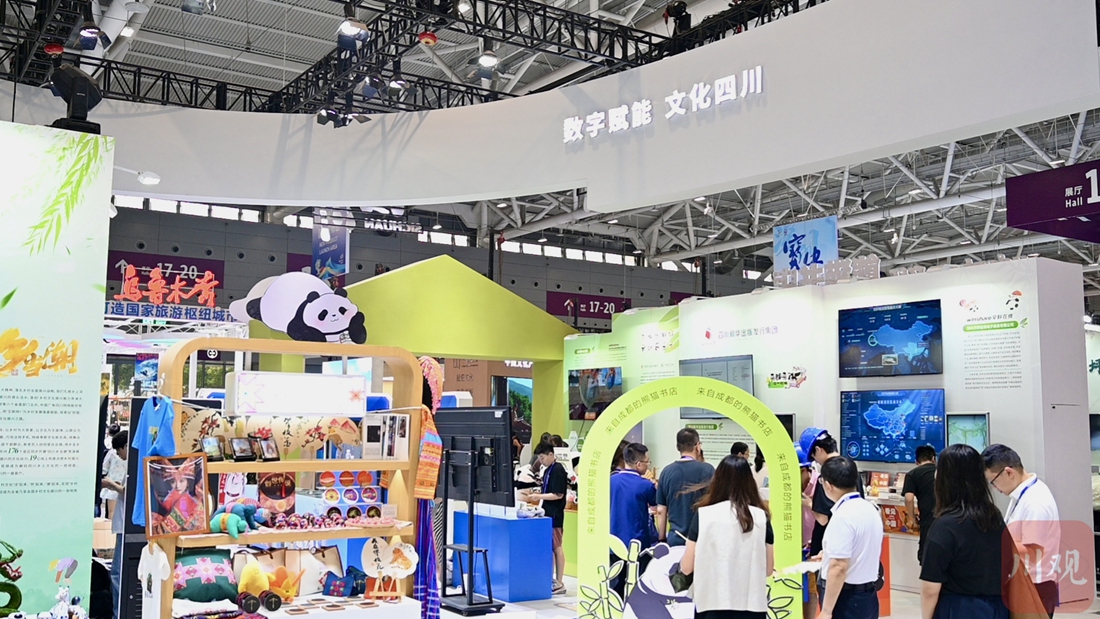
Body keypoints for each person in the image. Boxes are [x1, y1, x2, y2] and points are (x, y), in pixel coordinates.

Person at [920, 444, 1009, 619]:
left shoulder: (944, 526)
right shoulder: (994, 516)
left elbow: (930, 588)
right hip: (997, 607)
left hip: (960, 608)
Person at [680, 455, 773, 619]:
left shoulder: (704, 515)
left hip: (710, 604)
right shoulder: (761, 517)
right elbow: (768, 569)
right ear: (749, 481)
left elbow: (686, 567)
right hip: (751, 605)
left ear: (717, 480)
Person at [983, 444, 1061, 617]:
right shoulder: (1023, 493)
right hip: (1025, 582)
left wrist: (992, 545)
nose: (994, 488)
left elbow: (1033, 551)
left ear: (1009, 472)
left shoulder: (1035, 502)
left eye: (993, 481)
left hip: (1035, 585)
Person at [817, 456, 882, 619]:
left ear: (828, 485)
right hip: (867, 596)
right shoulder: (871, 509)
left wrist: (826, 611)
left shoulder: (843, 516)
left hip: (845, 599)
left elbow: (839, 567)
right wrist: (828, 554)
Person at [801, 428, 863, 558]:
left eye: (813, 457)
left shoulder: (826, 476)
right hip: (852, 543)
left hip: (828, 545)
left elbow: (823, 519)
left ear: (818, 450)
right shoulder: (852, 469)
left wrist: (810, 503)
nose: (816, 461)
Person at [609, 443, 657, 595]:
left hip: (614, 540)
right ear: (639, 464)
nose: (648, 465)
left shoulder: (611, 480)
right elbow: (656, 507)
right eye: (647, 462)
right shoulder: (645, 485)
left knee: (615, 584)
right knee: (637, 585)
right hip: (638, 542)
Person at [656, 428, 715, 546]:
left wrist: (661, 539)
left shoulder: (666, 472)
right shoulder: (708, 470)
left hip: (675, 539)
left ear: (677, 447)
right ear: (698, 446)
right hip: (702, 539)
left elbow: (661, 510)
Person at [529, 441, 568, 595]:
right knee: (551, 548)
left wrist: (538, 496)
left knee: (557, 547)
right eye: (539, 458)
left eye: (542, 457)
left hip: (555, 514)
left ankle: (559, 582)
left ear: (551, 454)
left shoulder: (558, 470)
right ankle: (552, 580)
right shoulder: (548, 470)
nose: (541, 461)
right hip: (547, 513)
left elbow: (558, 495)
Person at [101, 430, 127, 619]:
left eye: (119, 451)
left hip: (126, 527)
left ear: (125, 447)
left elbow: (127, 491)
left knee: (117, 573)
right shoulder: (133, 464)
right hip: (124, 525)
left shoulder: (135, 465)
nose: (118, 455)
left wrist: (111, 484)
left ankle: (118, 613)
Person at [902, 445, 938, 565]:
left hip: (927, 520)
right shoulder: (943, 472)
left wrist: (912, 518)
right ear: (934, 459)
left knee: (927, 557)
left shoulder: (912, 474)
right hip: (947, 518)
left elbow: (909, 498)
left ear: (916, 462)